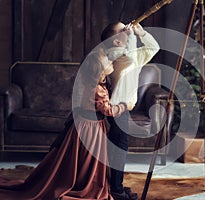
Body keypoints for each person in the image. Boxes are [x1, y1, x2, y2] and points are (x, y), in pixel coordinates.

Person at [0, 46, 128, 200]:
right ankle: (87, 183)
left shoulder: (93, 84)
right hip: (91, 128)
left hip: (82, 124)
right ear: (99, 70)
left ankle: (80, 177)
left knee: (80, 157)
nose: (110, 60)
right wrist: (125, 106)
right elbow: (108, 110)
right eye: (107, 60)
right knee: (90, 157)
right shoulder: (98, 90)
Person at [100, 21, 159, 200]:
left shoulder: (130, 53)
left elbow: (154, 47)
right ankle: (116, 191)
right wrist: (132, 36)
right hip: (116, 109)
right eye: (123, 29)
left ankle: (114, 185)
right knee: (119, 148)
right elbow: (131, 56)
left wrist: (141, 33)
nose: (128, 29)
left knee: (118, 148)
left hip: (124, 109)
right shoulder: (116, 55)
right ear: (116, 41)